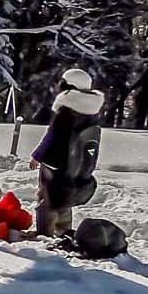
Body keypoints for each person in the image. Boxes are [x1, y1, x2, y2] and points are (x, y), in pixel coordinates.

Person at [31, 68, 104, 238]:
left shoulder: (65, 111)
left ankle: (44, 234)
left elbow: (52, 136)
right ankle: (63, 230)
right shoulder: (92, 112)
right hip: (74, 165)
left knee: (46, 197)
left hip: (54, 162)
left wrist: (37, 156)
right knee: (64, 196)